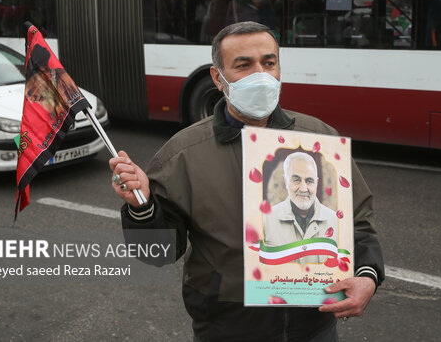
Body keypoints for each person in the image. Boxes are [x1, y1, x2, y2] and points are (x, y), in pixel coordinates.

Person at [110, 21, 384, 342]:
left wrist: (367, 276)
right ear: (218, 77)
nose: (261, 75)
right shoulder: (181, 155)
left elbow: (359, 224)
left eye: (268, 63)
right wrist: (142, 206)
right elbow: (157, 253)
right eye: (244, 65)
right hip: (227, 329)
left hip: (314, 327)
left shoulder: (319, 140)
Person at [263, 152, 338, 265]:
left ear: (316, 183)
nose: (303, 189)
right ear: (286, 181)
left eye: (309, 181)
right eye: (296, 180)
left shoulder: (336, 222)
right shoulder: (266, 220)